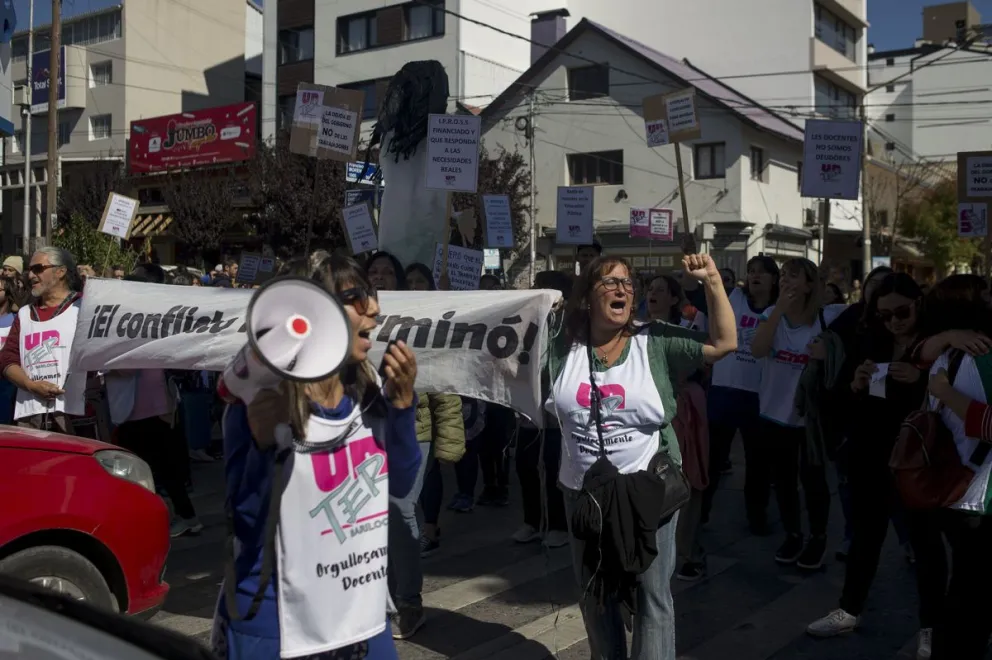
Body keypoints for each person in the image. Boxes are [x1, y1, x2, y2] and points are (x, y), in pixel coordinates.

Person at [213, 254, 421, 660]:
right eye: (356, 297)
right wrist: (261, 445)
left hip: (360, 621)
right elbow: (246, 521)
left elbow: (401, 482)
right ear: (311, 311)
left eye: (372, 295)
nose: (374, 309)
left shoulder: (369, 390)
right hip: (280, 629)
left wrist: (402, 408)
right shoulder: (259, 401)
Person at [547, 253, 737, 660]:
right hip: (583, 493)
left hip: (649, 490)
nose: (622, 289)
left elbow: (724, 344)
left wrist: (713, 281)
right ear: (586, 297)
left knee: (652, 597)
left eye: (628, 283)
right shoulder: (561, 342)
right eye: (609, 282)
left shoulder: (657, 339)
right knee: (595, 593)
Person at [805, 274, 944, 660]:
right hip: (873, 452)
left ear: (918, 303)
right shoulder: (871, 338)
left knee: (926, 544)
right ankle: (849, 609)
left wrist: (922, 380)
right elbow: (840, 399)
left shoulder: (935, 343)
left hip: (922, 458)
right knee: (866, 537)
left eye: (902, 312)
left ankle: (932, 625)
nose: (895, 321)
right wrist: (855, 383)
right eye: (885, 314)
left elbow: (952, 397)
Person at [750, 258, 846, 570]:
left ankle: (818, 538)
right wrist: (777, 310)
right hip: (774, 414)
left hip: (811, 419)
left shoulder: (827, 317)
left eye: (794, 276)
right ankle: (793, 534)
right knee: (784, 479)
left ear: (809, 284)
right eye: (783, 276)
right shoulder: (770, 316)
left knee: (814, 480)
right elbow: (758, 350)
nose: (787, 281)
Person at [683, 256, 779, 532]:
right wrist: (693, 271)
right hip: (723, 394)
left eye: (762, 272)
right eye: (750, 271)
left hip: (760, 398)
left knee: (758, 465)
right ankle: (700, 515)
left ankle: (756, 516)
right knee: (711, 462)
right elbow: (693, 295)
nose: (755, 276)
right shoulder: (732, 298)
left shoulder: (780, 309)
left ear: (775, 278)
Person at [513, 270, 571, 548]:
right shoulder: (527, 319)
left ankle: (558, 524)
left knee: (553, 465)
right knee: (525, 464)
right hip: (529, 404)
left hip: (557, 409)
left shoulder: (570, 324)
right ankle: (531, 521)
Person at [0, 247, 86, 433]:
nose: (30, 275)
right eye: (29, 270)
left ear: (60, 271)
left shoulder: (84, 308)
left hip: (76, 415)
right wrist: (30, 385)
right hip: (31, 417)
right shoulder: (24, 314)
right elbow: (7, 359)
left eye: (38, 268)